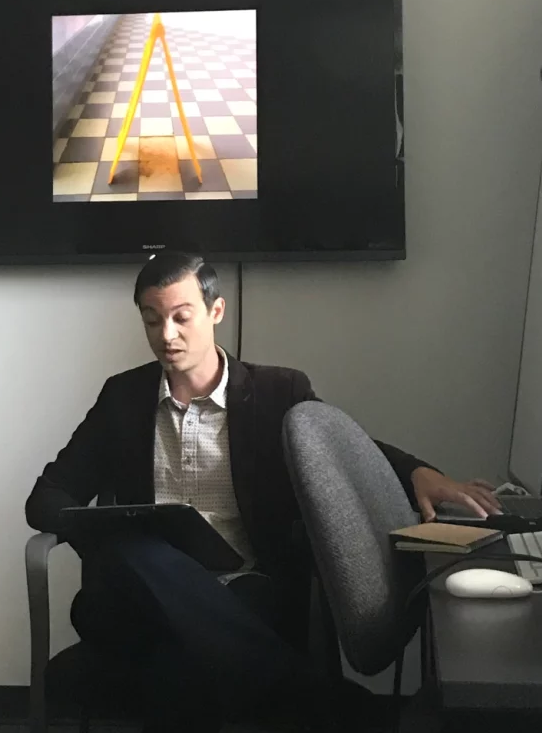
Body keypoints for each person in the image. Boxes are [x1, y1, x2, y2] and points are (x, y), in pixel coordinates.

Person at [26, 251, 499, 732]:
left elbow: (339, 446)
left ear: (216, 311)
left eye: (180, 317)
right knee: (137, 549)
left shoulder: (276, 392)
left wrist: (416, 472)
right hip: (139, 594)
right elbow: (47, 496)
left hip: (243, 588)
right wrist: (107, 533)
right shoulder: (122, 398)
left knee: (177, 668)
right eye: (152, 320)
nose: (166, 335)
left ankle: (316, 701)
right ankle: (327, 703)